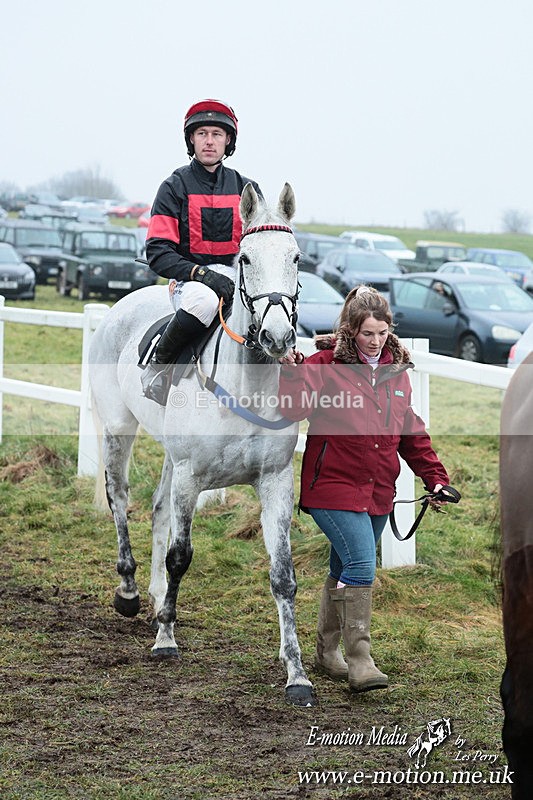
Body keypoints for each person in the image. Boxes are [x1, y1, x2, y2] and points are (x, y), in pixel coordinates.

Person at [278, 285, 453, 693]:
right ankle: (360, 660)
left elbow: (411, 434)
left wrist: (436, 479)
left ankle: (325, 652)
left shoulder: (396, 374)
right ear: (350, 330)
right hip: (331, 486)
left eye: (382, 332)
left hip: (377, 490)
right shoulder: (324, 365)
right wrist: (290, 372)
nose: (375, 341)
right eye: (366, 333)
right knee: (361, 565)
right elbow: (294, 409)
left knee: (342, 568)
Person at [141, 98, 262, 404]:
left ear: (228, 141)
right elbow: (157, 251)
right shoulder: (174, 186)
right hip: (191, 283)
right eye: (202, 134)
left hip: (238, 283)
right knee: (205, 303)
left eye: (217, 134)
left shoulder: (247, 189)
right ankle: (158, 368)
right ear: (191, 139)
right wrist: (202, 274)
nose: (209, 141)